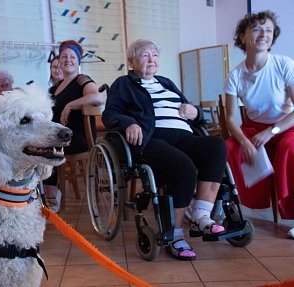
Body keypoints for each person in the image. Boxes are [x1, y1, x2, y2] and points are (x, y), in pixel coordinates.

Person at [102, 39, 227, 260]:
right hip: (151, 138)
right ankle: (176, 235)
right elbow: (110, 114)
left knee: (216, 146)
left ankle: (201, 214)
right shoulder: (123, 83)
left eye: (155, 55)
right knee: (184, 166)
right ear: (131, 61)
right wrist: (128, 123)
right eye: (144, 55)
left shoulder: (166, 82)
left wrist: (195, 112)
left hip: (184, 136)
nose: (151, 59)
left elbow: (192, 112)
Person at [224, 11, 294, 239]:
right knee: (229, 148)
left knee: (290, 149)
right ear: (242, 37)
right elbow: (231, 119)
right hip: (252, 128)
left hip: (285, 126)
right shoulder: (235, 75)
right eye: (256, 29)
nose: (263, 34)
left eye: (268, 31)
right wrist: (243, 141)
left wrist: (271, 131)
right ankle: (236, 211)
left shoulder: (284, 64)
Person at [43, 40, 106, 213]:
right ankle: (50, 196)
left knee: (47, 150)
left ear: (78, 61)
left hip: (77, 138)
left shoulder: (81, 80)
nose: (68, 59)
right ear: (59, 61)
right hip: (58, 136)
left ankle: (51, 198)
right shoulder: (54, 89)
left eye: (72, 57)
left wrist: (71, 105)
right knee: (37, 148)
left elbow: (99, 98)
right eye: (64, 56)